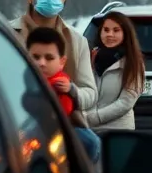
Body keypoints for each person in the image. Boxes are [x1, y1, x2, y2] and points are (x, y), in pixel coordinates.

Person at [11, 0, 97, 126]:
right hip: (16, 126)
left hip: (65, 129)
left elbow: (90, 94)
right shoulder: (8, 35)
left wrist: (71, 90)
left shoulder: (77, 41)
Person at [26, 26, 102, 165]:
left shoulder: (61, 82)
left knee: (92, 142)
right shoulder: (20, 84)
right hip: (34, 138)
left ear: (62, 62)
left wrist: (71, 90)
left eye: (49, 58)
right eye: (35, 57)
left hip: (63, 134)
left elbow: (85, 97)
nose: (41, 63)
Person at [87, 11, 145, 131]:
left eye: (116, 30)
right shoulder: (90, 57)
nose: (110, 34)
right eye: (106, 30)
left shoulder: (133, 62)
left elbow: (125, 102)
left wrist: (94, 117)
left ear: (125, 33)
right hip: (89, 130)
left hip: (118, 132)